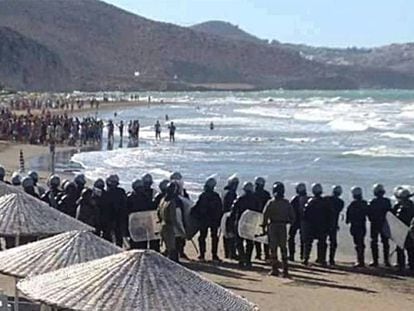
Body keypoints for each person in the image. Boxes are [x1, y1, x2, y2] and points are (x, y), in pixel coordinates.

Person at [262, 182, 295, 277]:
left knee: (273, 248)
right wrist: (288, 221)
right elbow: (292, 217)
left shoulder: (271, 202)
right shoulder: (286, 203)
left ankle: (274, 269)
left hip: (272, 226)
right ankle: (285, 271)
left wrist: (264, 226)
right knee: (283, 248)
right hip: (282, 226)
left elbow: (265, 215)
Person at [191, 177, 223, 262]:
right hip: (213, 220)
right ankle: (214, 255)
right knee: (214, 237)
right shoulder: (216, 196)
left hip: (204, 220)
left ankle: (202, 255)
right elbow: (220, 209)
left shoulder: (203, 195)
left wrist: (192, 214)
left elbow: (196, 207)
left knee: (202, 237)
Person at [230, 182, 261, 268]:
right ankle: (248, 260)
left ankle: (241, 259)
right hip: (250, 223)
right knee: (249, 242)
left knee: (239, 242)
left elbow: (233, 210)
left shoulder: (240, 198)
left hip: (240, 222)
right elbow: (259, 211)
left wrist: (231, 222)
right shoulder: (256, 199)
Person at [127, 178, 160, 251]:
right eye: (138, 187)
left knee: (143, 243)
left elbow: (150, 209)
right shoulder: (130, 198)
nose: (140, 189)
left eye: (141, 187)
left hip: (144, 223)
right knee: (135, 244)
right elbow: (126, 212)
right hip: (134, 224)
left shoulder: (146, 197)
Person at [302, 183, 330, 266]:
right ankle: (322, 259)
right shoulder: (325, 202)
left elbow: (305, 214)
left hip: (311, 225)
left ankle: (306, 258)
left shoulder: (310, 201)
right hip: (322, 225)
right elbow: (329, 214)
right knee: (322, 242)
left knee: (308, 243)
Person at [368, 184, 392, 267]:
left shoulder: (372, 202)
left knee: (374, 241)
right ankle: (386, 261)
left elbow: (369, 214)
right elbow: (390, 213)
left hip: (375, 224)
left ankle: (375, 261)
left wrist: (372, 219)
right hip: (385, 223)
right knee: (385, 242)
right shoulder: (387, 201)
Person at [346, 187, 368, 268]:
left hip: (355, 226)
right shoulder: (364, 203)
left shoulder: (352, 205)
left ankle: (360, 261)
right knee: (361, 243)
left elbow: (348, 219)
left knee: (357, 244)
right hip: (362, 226)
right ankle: (361, 260)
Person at [392, 188, 414, 271]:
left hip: (404, 230)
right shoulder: (411, 205)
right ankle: (410, 264)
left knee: (404, 249)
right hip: (407, 230)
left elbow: (395, 217)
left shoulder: (400, 208)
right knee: (409, 248)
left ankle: (402, 265)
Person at [158, 182, 179, 262]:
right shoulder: (171, 202)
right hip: (169, 226)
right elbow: (173, 217)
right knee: (172, 248)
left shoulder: (162, 200)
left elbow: (158, 212)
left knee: (168, 246)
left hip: (163, 225)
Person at [104, 174, 127, 247]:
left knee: (117, 239)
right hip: (110, 219)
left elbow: (124, 206)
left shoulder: (119, 192)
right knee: (109, 239)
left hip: (117, 219)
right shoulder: (106, 193)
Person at [288, 183, 308, 261]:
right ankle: (302, 255)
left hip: (295, 220)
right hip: (304, 221)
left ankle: (291, 255)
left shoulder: (295, 199)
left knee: (291, 237)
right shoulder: (308, 198)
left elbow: (290, 209)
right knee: (303, 238)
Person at [325, 185, 344, 265]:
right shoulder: (340, 202)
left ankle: (321, 258)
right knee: (333, 242)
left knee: (323, 241)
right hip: (334, 224)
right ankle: (331, 259)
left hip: (325, 223)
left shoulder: (326, 199)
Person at [254, 177, 271, 261]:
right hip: (264, 216)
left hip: (255, 216)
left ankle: (258, 254)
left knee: (257, 236)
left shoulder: (253, 193)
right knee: (265, 236)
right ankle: (267, 255)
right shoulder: (266, 194)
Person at [222, 174, 239, 259]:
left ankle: (227, 253)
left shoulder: (224, 192)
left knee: (226, 234)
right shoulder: (231, 193)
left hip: (224, 215)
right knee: (231, 234)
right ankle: (232, 253)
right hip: (229, 215)